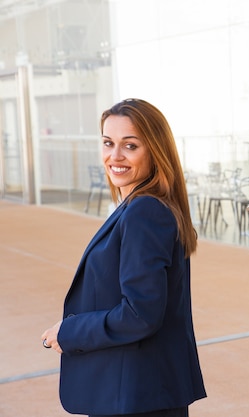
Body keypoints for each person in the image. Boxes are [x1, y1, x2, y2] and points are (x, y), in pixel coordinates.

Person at [41, 98, 206, 417]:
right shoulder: (144, 207)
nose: (114, 156)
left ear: (154, 150)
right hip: (138, 391)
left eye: (130, 146)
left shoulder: (144, 212)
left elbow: (140, 314)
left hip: (135, 397)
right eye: (108, 143)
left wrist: (68, 331)